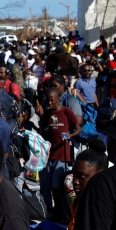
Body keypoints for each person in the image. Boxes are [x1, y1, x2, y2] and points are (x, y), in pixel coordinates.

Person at [39, 89, 82, 218]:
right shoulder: (46, 114)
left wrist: (69, 135)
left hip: (62, 155)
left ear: (58, 99)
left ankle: (60, 209)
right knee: (45, 183)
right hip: (48, 155)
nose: (50, 103)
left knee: (56, 183)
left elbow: (78, 128)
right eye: (48, 101)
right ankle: (46, 209)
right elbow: (43, 132)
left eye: (52, 100)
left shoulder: (66, 112)